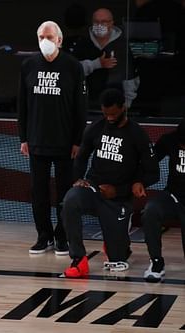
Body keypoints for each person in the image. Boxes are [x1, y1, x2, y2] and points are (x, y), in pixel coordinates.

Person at [62, 88, 159, 278]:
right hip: (94, 188)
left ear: (124, 108)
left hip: (119, 197)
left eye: (113, 114)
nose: (109, 118)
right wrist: (78, 179)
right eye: (105, 114)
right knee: (70, 200)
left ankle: (117, 244)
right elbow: (81, 157)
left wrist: (130, 186)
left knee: (118, 260)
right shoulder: (96, 127)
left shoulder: (137, 133)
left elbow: (153, 172)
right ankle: (79, 260)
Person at [18, 21, 87, 256]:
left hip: (65, 143)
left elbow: (81, 107)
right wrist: (23, 137)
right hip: (36, 141)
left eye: (49, 36)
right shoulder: (28, 65)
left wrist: (78, 140)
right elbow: (22, 106)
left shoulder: (72, 66)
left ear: (59, 40)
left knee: (64, 193)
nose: (44, 41)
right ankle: (43, 235)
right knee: (38, 193)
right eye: (40, 37)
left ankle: (62, 236)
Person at [141, 118, 185, 282]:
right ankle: (156, 263)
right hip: (173, 197)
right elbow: (149, 163)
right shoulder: (169, 140)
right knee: (151, 210)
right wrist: (138, 181)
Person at [68, 8, 139, 110]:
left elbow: (130, 78)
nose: (99, 25)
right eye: (96, 21)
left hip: (114, 105)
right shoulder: (82, 42)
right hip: (86, 103)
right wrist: (97, 64)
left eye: (104, 22)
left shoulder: (122, 45)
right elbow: (71, 71)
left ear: (112, 23)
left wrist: (127, 104)